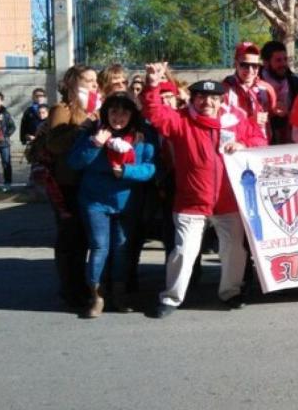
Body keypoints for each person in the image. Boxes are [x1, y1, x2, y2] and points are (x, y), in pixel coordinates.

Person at [142, 62, 266, 318]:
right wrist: (152, 84)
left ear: (221, 101)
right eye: (201, 97)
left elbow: (259, 139)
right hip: (191, 201)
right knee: (184, 251)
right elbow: (154, 113)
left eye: (212, 98)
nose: (207, 103)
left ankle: (230, 291)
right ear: (193, 99)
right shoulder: (180, 121)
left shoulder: (236, 121)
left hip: (227, 201)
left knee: (233, 250)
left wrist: (243, 143)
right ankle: (171, 298)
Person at [68, 93, 156, 318]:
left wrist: (127, 171)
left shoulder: (142, 137)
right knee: (99, 246)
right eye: (114, 111)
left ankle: (119, 294)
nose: (119, 117)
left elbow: (150, 168)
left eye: (125, 112)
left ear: (132, 114)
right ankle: (97, 296)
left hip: (126, 202)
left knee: (121, 249)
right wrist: (95, 143)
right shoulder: (93, 133)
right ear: (106, 112)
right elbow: (75, 162)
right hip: (95, 200)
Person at [46, 65, 99, 308]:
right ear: (72, 83)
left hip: (91, 182)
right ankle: (71, 290)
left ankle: (86, 286)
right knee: (71, 239)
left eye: (95, 80)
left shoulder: (96, 108)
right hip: (68, 184)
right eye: (88, 80)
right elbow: (55, 144)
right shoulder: (62, 109)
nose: (93, 85)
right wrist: (82, 128)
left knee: (88, 239)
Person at [223, 41, 278, 144]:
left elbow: (272, 117)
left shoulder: (267, 89)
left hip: (261, 145)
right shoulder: (225, 89)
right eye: (244, 65)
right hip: (234, 145)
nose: (250, 70)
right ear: (236, 64)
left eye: (255, 65)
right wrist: (251, 121)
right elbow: (222, 123)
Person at [260, 40, 298, 144]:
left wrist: (289, 113)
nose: (283, 64)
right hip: (263, 139)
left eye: (285, 59)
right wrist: (270, 112)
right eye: (278, 60)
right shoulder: (255, 84)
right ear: (266, 63)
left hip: (290, 138)